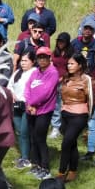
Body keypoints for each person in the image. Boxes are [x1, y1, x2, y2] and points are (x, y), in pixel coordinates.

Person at [23, 47, 59, 180]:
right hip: (30, 109)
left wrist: (33, 103)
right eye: (39, 57)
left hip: (44, 110)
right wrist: (28, 104)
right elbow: (27, 87)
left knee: (40, 138)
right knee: (33, 138)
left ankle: (45, 167)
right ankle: (36, 164)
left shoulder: (53, 73)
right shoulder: (35, 72)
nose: (42, 60)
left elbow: (46, 92)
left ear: (49, 58)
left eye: (44, 57)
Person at [55, 55, 92, 181]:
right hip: (65, 114)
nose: (69, 66)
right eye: (68, 64)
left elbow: (92, 99)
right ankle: (73, 170)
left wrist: (90, 119)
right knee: (72, 144)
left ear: (80, 65)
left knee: (66, 144)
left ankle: (61, 173)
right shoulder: (65, 78)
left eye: (72, 64)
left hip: (79, 115)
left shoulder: (86, 79)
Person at [10, 51, 34, 167]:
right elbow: (10, 86)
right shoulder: (17, 73)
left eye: (25, 61)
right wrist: (12, 94)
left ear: (32, 62)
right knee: (19, 131)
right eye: (21, 61)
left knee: (24, 132)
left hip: (27, 106)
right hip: (16, 105)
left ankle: (26, 158)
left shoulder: (34, 73)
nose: (22, 63)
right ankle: (23, 155)